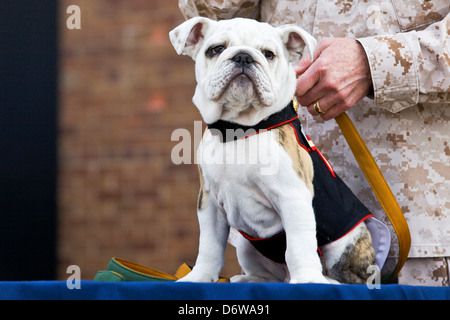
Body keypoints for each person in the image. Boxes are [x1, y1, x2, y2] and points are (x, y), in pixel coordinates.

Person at [177, 0, 450, 286]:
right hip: (270, 252)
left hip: (417, 228)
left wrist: (376, 62)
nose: (243, 59)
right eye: (219, 50)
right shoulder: (212, 141)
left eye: (266, 53)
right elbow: (206, 15)